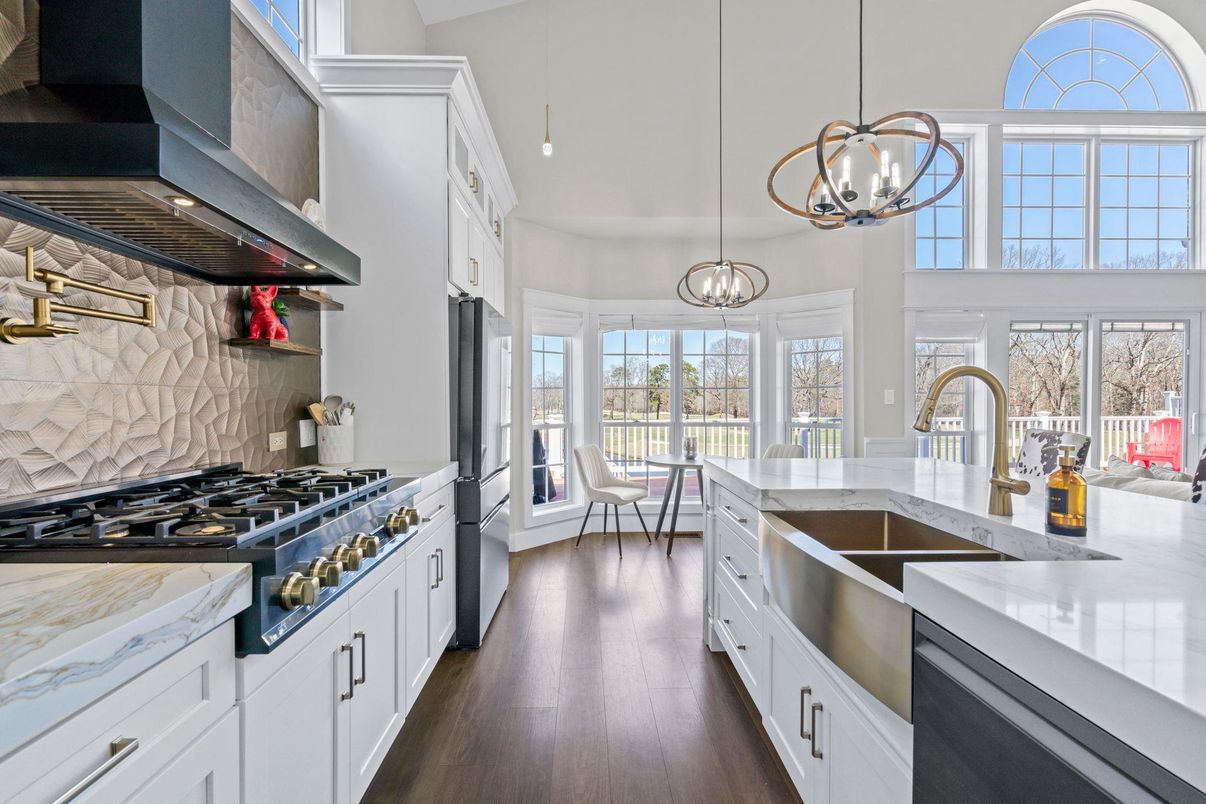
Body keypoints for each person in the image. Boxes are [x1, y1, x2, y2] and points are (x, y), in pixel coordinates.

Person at [532, 430, 558, 504]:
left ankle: (541, 495)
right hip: (533, 435)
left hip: (533, 435)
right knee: (539, 464)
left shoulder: (534, 432)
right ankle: (543, 494)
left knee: (538, 465)